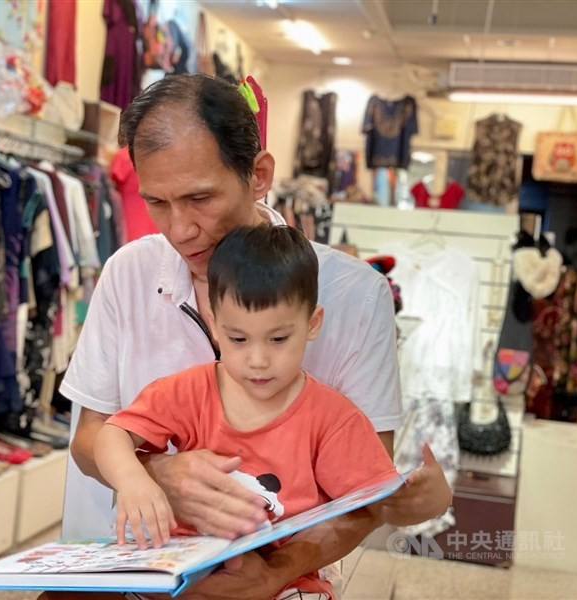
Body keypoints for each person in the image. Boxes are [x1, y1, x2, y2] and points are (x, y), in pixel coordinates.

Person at [55, 74, 452, 599]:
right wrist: (158, 475)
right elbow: (91, 437)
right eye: (157, 203)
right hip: (144, 569)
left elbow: (360, 500)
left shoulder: (356, 295)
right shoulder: (130, 270)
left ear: (259, 174)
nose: (179, 230)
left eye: (200, 198)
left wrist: (273, 575)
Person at [95, 224, 400, 598]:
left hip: (282, 583)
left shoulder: (333, 418)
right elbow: (111, 434)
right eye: (238, 339)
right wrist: (133, 480)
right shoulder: (188, 391)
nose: (258, 360)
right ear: (216, 325)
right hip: (181, 573)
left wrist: (418, 497)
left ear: (312, 324)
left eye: (278, 339)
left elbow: (371, 502)